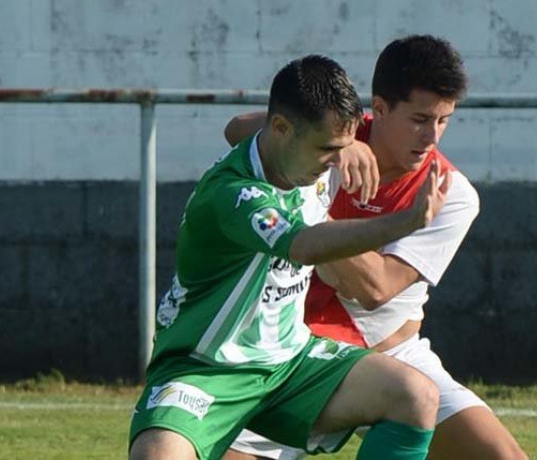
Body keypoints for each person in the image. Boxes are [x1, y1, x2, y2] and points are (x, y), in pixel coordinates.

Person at [128, 55, 453, 460]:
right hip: (206, 369)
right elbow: (302, 244)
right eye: (326, 149)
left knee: (416, 395)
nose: (336, 162)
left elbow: (251, 128)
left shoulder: (306, 161)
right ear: (280, 129)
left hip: (289, 363)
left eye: (342, 148)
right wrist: (405, 222)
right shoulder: (233, 194)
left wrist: (345, 144)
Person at [223, 36, 527, 460]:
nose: (432, 137)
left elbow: (376, 288)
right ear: (379, 108)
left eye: (444, 121)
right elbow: (236, 129)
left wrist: (307, 213)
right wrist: (336, 145)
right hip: (290, 350)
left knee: (503, 457)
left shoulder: (451, 193)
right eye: (420, 119)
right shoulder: (329, 145)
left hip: (393, 354)